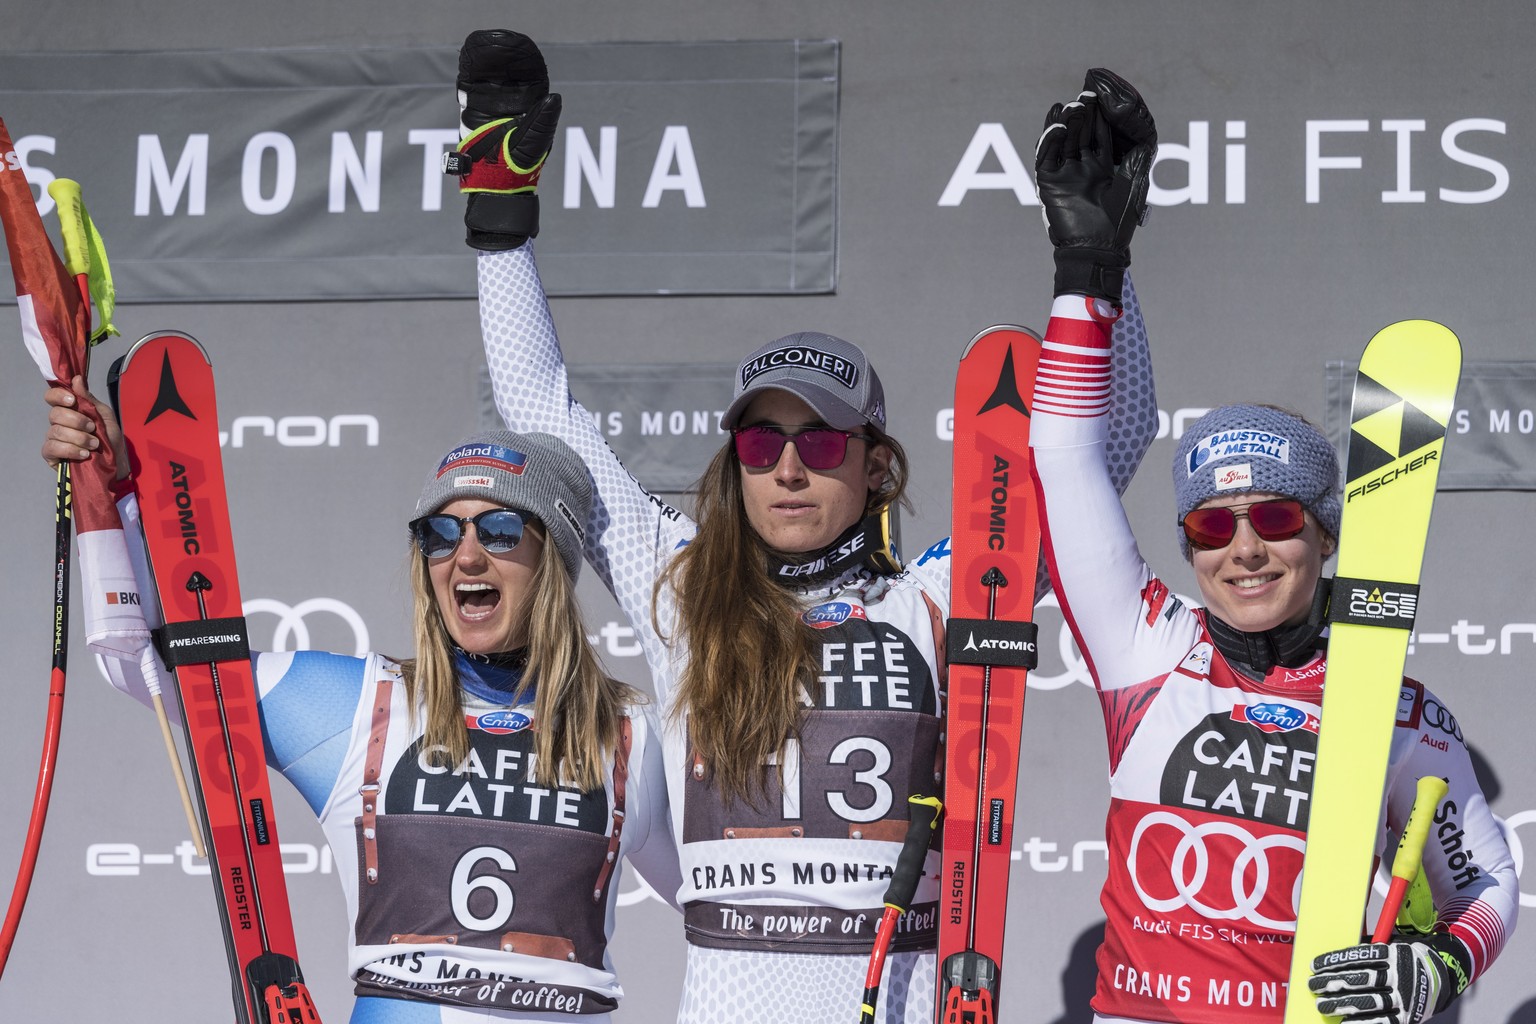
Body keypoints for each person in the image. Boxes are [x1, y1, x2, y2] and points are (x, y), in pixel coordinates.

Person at [447, 31, 1160, 1023]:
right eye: (761, 444)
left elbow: (1104, 450)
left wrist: (1099, 271)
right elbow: (541, 408)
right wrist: (499, 209)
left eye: (821, 445)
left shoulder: (938, 593)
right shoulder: (682, 588)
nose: (787, 466)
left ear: (874, 465)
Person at [1028, 71, 1519, 1024]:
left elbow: (1488, 887)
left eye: (1278, 520)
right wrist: (1087, 269)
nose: (1244, 549)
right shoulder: (1148, 648)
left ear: (1326, 535)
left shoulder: (1399, 709)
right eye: (1213, 526)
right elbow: (1062, 455)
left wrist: (1435, 969)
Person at [43, 384, 680, 1023]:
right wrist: (116, 489)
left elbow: (738, 903)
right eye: (440, 533)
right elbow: (148, 661)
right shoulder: (352, 705)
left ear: (552, 558)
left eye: (500, 528)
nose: (465, 555)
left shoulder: (630, 734)